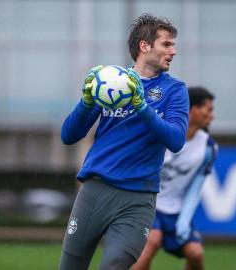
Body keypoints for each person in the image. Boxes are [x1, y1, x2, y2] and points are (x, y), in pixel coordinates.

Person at [58, 13, 189, 270]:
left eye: (173, 44)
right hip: (95, 191)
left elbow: (175, 140)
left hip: (138, 198)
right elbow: (69, 136)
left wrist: (141, 106)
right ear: (144, 46)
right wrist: (86, 102)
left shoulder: (175, 90)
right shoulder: (110, 83)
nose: (173, 51)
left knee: (115, 264)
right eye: (167, 44)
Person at [132, 87, 217, 270]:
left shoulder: (208, 148)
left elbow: (196, 188)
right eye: (209, 109)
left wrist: (184, 219)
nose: (212, 116)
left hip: (175, 211)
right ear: (193, 110)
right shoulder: (162, 132)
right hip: (148, 202)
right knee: (152, 240)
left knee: (196, 253)